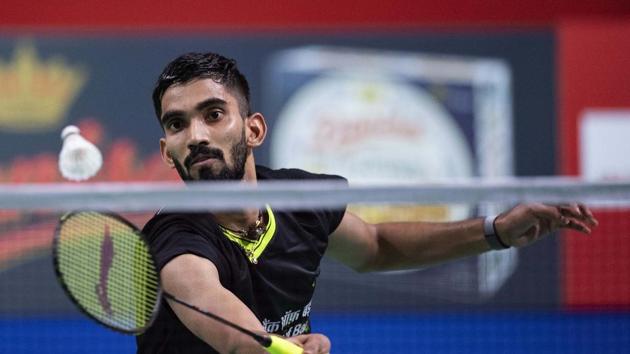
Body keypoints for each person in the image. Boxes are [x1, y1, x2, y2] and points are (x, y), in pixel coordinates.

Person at [136, 52, 598, 354]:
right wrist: (288, 348)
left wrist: (496, 231)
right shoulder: (174, 240)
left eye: (213, 115)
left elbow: (376, 246)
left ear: (254, 130)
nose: (195, 135)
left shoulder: (299, 201)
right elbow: (241, 344)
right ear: (166, 150)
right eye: (177, 125)